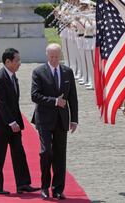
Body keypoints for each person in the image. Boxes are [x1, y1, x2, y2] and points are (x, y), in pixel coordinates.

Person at [0, 48, 40, 195]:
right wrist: (11, 122)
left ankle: (23, 183)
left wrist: (17, 121)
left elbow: (14, 103)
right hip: (2, 123)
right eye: (17, 60)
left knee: (19, 152)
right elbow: (1, 103)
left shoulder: (13, 76)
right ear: (8, 61)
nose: (19, 63)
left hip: (14, 122)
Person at [31, 43, 78, 200]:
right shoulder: (38, 72)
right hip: (44, 118)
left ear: (61, 55)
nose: (54, 59)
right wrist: (54, 101)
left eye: (57, 56)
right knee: (46, 152)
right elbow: (35, 95)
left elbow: (72, 97)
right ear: (47, 56)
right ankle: (44, 186)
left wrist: (74, 119)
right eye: (51, 57)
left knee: (59, 155)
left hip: (61, 120)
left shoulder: (67, 72)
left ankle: (58, 189)